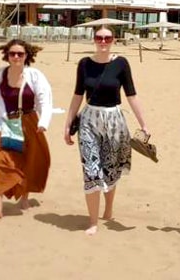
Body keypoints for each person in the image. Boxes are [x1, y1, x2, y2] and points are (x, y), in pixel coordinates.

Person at [63, 25, 149, 235]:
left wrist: (144, 124)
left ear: (114, 40)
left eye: (107, 38)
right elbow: (77, 95)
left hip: (114, 120)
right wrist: (68, 123)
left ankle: (108, 209)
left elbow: (131, 94)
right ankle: (93, 221)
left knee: (111, 168)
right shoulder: (84, 64)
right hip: (89, 120)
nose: (103, 42)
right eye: (99, 38)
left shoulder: (121, 63)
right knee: (91, 170)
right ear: (94, 39)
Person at [0, 38, 53, 219]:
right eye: (12, 53)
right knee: (0, 161)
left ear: (27, 56)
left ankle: (24, 197)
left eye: (20, 53)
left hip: (28, 122)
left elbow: (45, 99)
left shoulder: (35, 75)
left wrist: (43, 122)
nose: (16, 57)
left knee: (27, 160)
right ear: (7, 55)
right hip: (4, 123)